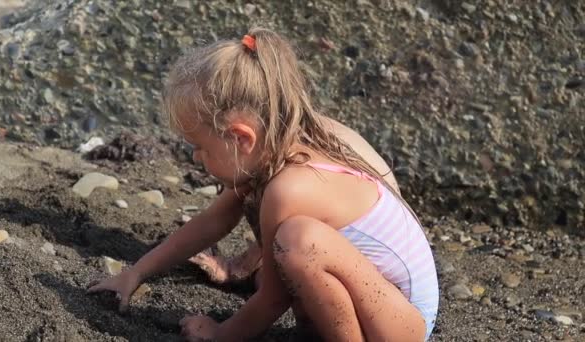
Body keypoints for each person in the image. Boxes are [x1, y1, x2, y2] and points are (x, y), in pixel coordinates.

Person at [87, 28, 439, 341]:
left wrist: (221, 333)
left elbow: (273, 299)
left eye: (200, 148)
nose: (196, 159)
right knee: (282, 258)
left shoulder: (289, 189)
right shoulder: (279, 145)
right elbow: (211, 222)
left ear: (242, 138)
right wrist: (136, 274)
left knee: (296, 242)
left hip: (403, 321)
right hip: (381, 302)